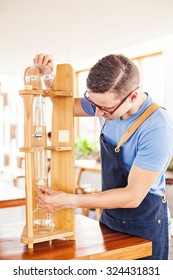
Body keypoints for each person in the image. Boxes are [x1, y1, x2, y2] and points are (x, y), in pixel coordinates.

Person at [34, 53, 173, 260]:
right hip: (111, 216)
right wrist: (48, 82)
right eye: (93, 104)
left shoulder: (157, 127)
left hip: (145, 222)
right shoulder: (105, 102)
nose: (96, 113)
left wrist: (68, 201)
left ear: (132, 97)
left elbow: (133, 196)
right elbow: (63, 106)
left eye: (106, 109)